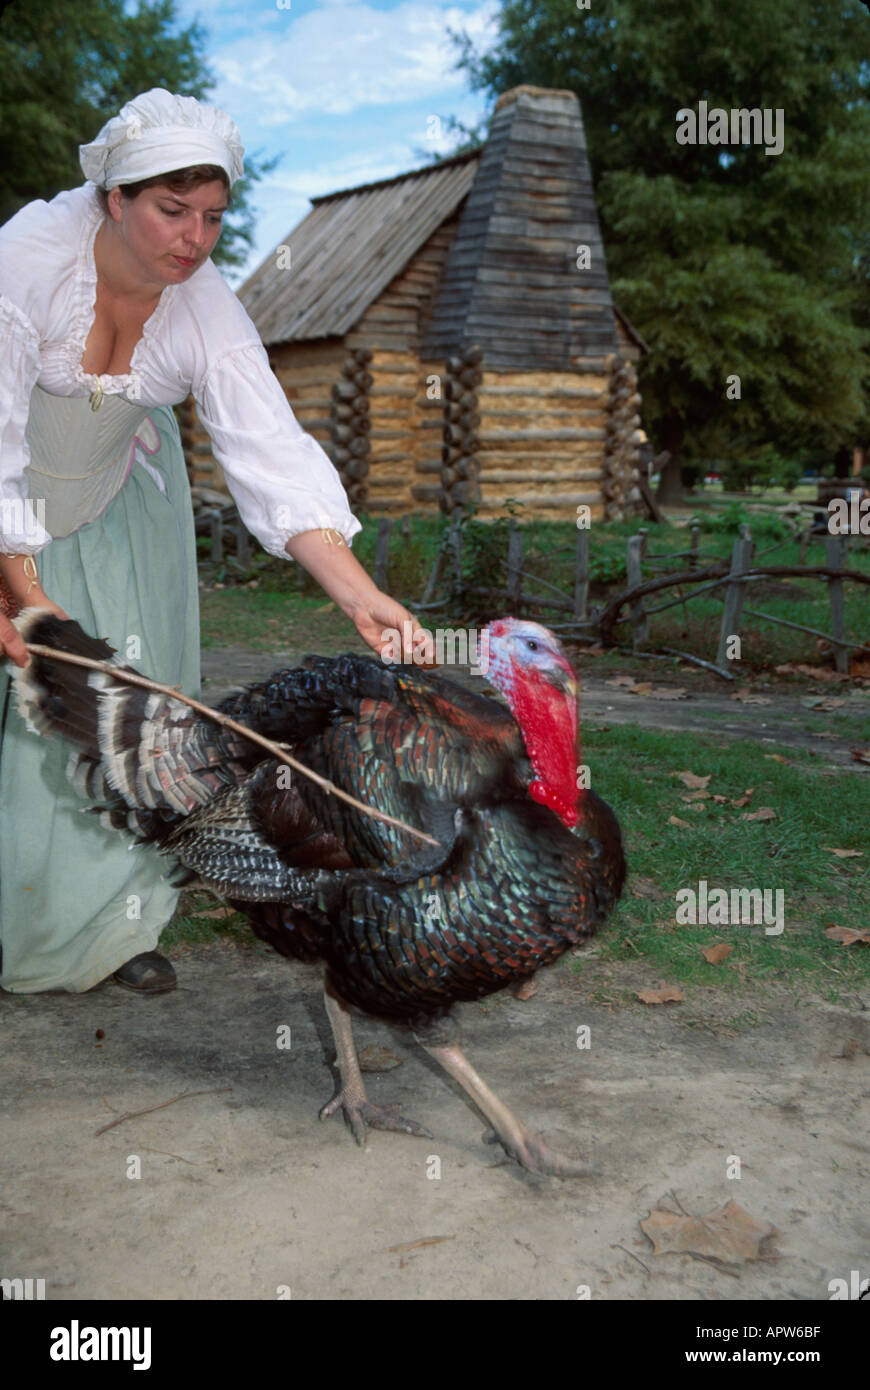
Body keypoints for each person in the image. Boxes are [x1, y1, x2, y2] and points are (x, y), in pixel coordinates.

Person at [0, 89, 429, 996]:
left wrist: (358, 593)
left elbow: (268, 446)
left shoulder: (201, 303)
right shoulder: (25, 264)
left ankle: (110, 931)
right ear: (114, 197)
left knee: (118, 717)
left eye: (213, 217)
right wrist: (24, 595)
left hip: (114, 515)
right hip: (7, 511)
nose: (193, 239)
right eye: (170, 211)